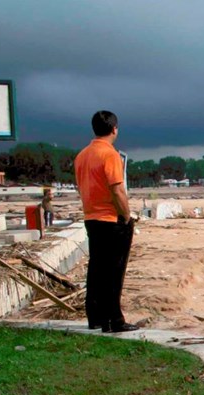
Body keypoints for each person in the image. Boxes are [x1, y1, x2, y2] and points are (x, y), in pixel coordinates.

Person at [74, 110, 138, 333]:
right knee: (114, 271)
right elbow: (117, 189)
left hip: (91, 218)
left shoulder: (82, 155)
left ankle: (96, 317)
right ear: (114, 129)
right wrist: (127, 217)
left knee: (97, 269)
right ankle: (114, 320)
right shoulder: (110, 154)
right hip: (111, 219)